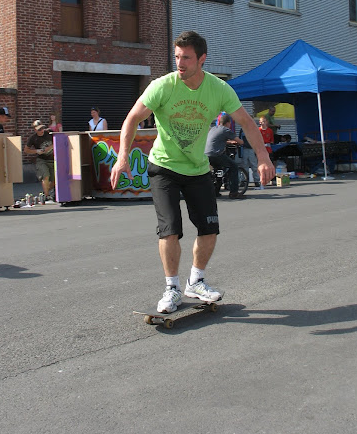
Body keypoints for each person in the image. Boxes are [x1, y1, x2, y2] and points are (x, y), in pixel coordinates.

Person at [110, 30, 275, 314]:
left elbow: (247, 122)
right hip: (164, 167)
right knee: (170, 230)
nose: (180, 63)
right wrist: (122, 155)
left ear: (202, 59)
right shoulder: (163, 86)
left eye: (186, 58)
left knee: (209, 228)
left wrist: (263, 157)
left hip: (198, 169)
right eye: (176, 57)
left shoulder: (218, 88)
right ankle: (172, 288)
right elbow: (133, 118)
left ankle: (196, 281)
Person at [205, 114, 244, 199]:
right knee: (233, 166)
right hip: (216, 154)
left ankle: (215, 191)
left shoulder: (214, 128)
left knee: (218, 170)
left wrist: (230, 142)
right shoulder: (226, 130)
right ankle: (234, 192)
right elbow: (240, 141)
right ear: (228, 123)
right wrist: (243, 142)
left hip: (206, 154)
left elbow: (217, 140)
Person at [24, 120, 55, 197]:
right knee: (45, 176)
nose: (41, 131)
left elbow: (57, 141)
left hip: (52, 159)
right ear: (35, 129)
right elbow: (26, 150)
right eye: (39, 129)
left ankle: (45, 193)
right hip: (42, 159)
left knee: (54, 180)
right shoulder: (33, 138)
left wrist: (49, 148)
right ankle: (47, 196)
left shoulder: (49, 133)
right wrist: (36, 151)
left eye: (42, 128)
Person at [239, 120, 261, 189]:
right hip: (244, 149)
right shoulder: (242, 129)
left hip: (252, 149)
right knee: (244, 165)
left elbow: (257, 138)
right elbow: (240, 138)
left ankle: (256, 181)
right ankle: (244, 180)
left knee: (254, 165)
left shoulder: (253, 128)